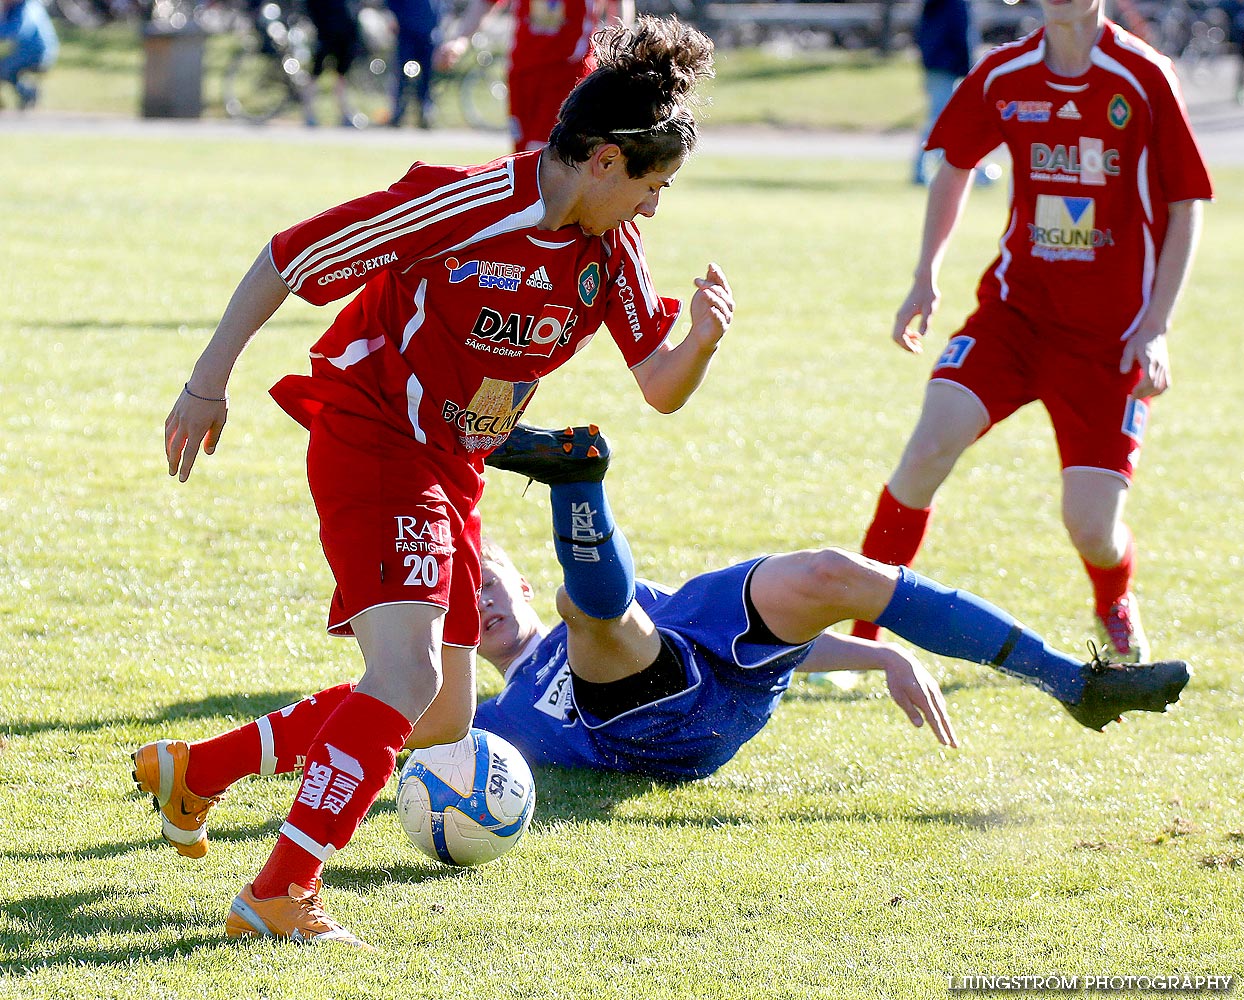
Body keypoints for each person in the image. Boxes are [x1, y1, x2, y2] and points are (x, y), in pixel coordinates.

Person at [141, 15, 730, 949]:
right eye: (653, 187)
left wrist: (696, 340)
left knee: (442, 712)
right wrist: (205, 383)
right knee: (407, 674)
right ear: (605, 162)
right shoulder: (457, 205)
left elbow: (658, 384)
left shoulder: (608, 250)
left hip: (451, 469)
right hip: (371, 438)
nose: (656, 210)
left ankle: (201, 768)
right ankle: (280, 893)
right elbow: (289, 257)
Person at [129, 425, 1187, 874]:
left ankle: (1072, 682)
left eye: (485, 584)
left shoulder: (543, 632)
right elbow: (353, 729)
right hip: (647, 725)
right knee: (609, 626)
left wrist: (880, 655)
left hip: (697, 662)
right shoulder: (483, 722)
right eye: (469, 604)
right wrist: (214, 769)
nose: (483, 608)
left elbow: (773, 648)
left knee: (826, 572)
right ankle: (578, 480)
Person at [849, 0, 1213, 663]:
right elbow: (955, 162)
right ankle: (861, 640)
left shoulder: (1143, 76)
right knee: (927, 449)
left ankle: (1113, 600)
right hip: (1015, 320)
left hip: (1111, 340)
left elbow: (1185, 202)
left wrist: (1156, 329)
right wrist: (926, 273)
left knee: (1092, 528)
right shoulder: (1004, 75)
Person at [435, 0, 634, 153]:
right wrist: (459, 40)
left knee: (548, 155)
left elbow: (618, 4)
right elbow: (485, 3)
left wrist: (620, 51)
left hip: (569, 73)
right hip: (523, 72)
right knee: (523, 156)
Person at [912, 0, 977, 185]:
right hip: (947, 65)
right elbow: (960, 30)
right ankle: (921, 170)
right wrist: (968, 66)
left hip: (937, 63)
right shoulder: (955, 3)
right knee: (939, 122)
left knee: (945, 121)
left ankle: (942, 167)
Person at [385, 0, 440, 128]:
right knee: (403, 73)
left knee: (427, 76)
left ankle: (425, 112)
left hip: (428, 32)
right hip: (406, 31)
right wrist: (394, 17)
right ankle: (398, 111)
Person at [0, 0, 58, 110]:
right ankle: (27, 93)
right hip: (29, 52)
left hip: (39, 54)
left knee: (3, 69)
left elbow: (16, 30)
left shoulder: (27, 7)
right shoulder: (19, 7)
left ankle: (29, 93)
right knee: (4, 68)